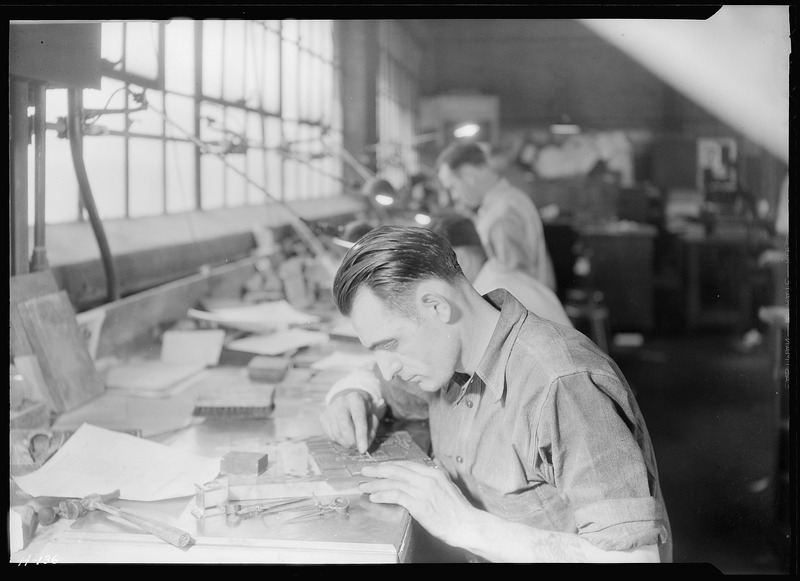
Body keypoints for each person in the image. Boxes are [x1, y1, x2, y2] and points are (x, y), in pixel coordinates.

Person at [319, 225, 671, 563]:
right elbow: (386, 388)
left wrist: (464, 526)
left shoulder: (561, 385)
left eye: (390, 344)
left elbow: (636, 560)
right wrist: (356, 392)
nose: (387, 368)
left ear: (437, 306)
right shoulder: (448, 358)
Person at [436, 139, 557, 292]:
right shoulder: (509, 199)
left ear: (468, 176)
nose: (454, 196)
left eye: (452, 187)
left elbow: (513, 287)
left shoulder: (502, 215)